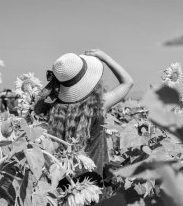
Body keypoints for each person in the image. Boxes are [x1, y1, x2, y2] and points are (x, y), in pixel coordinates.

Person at [45, 49, 134, 186]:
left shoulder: (53, 109)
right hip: (93, 182)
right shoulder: (99, 106)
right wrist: (105, 57)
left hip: (63, 181)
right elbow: (128, 82)